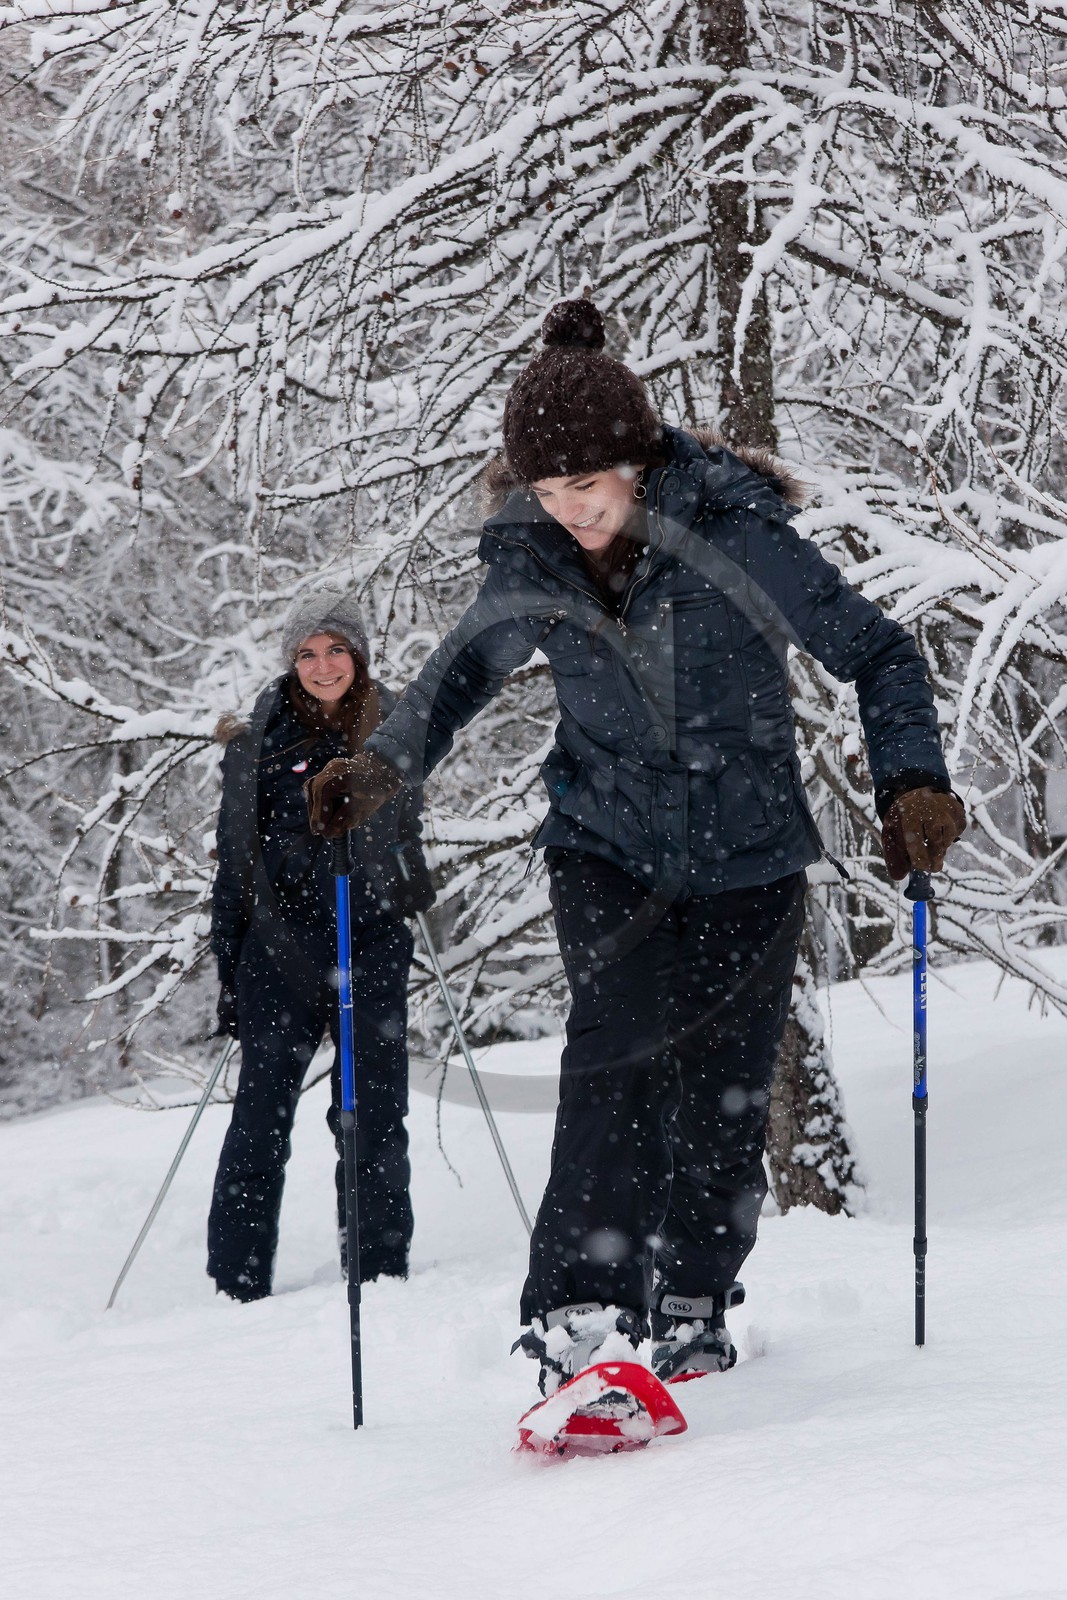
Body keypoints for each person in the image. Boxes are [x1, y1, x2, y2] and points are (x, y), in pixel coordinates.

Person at [304, 300, 966, 1392]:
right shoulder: (532, 557)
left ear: (638, 462)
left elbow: (880, 653)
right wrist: (379, 767)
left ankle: (694, 1298)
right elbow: (458, 677)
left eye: (586, 487)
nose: (569, 512)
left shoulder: (734, 530)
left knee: (726, 1090)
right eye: (547, 492)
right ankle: (576, 1309)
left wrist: (910, 782)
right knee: (612, 1054)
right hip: (605, 844)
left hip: (749, 854)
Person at [207, 584, 434, 1302]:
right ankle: (236, 1285)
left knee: (373, 1114)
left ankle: (378, 1273)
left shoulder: (394, 731)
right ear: (291, 662)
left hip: (368, 942)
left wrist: (396, 869)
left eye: (336, 649)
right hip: (278, 952)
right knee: (259, 1120)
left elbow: (405, 837)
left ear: (358, 656)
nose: (323, 664)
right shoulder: (256, 743)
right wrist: (228, 966)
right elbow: (233, 860)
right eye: (307, 653)